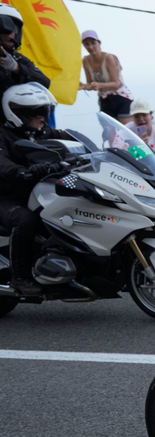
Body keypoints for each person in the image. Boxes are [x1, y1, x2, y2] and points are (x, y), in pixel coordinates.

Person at [0, 83, 72, 295]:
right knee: (25, 220)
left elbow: (73, 142)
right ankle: (19, 278)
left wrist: (104, 153)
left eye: (44, 111)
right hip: (7, 196)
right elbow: (1, 163)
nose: (43, 116)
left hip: (37, 193)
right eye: (36, 112)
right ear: (18, 114)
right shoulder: (4, 135)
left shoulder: (45, 133)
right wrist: (24, 172)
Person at [78, 30, 134, 124]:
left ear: (99, 43)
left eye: (93, 43)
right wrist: (83, 86)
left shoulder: (109, 58)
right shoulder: (85, 60)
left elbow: (116, 83)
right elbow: (90, 83)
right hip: (104, 99)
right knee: (109, 135)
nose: (90, 47)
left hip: (121, 97)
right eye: (87, 44)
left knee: (126, 133)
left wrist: (98, 85)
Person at [0, 4, 50, 99]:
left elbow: (44, 82)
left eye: (15, 29)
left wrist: (16, 68)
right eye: (8, 28)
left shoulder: (17, 58)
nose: (13, 34)